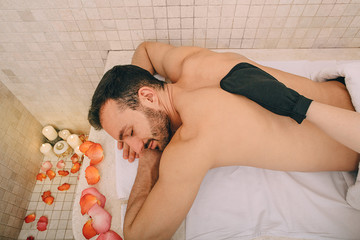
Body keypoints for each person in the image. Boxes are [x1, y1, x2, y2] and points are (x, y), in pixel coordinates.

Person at [88, 42, 359, 240]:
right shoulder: (189, 62)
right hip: (349, 90)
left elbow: (139, 236)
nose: (134, 148)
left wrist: (148, 161)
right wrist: (132, 102)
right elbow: (145, 49)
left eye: (129, 133)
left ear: (147, 95)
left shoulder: (192, 142)